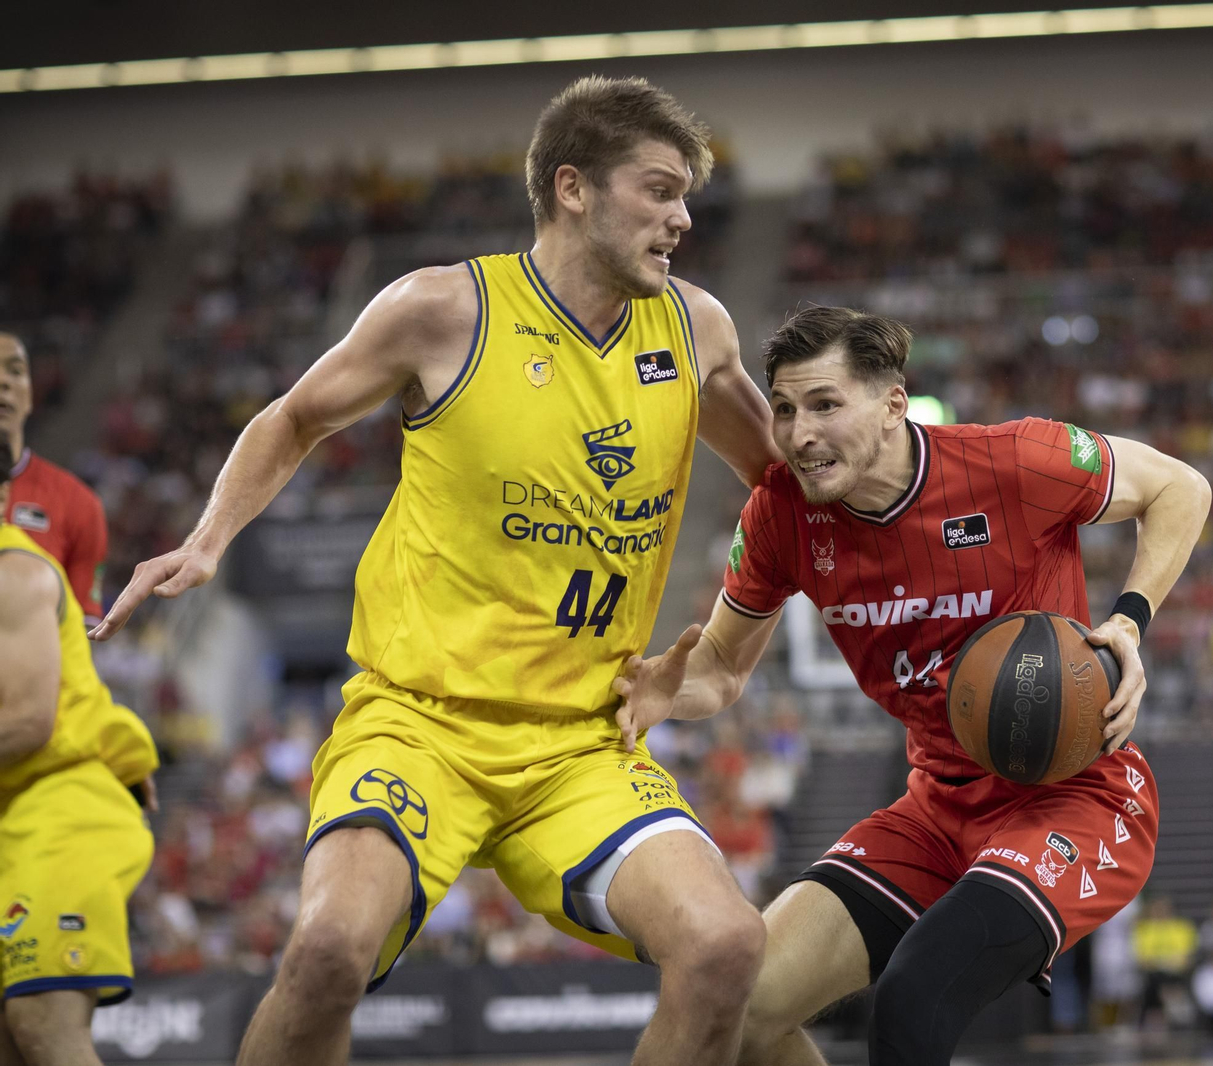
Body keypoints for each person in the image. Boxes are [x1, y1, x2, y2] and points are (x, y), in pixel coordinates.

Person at [92, 76, 781, 1066]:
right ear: (573, 187)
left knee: (725, 945)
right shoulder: (439, 309)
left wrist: (724, 656)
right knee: (327, 949)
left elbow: (785, 495)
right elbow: (295, 415)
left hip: (582, 742)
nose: (682, 217)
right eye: (660, 189)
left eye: (687, 199)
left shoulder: (695, 327)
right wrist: (208, 538)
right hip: (420, 724)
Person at [615, 306, 1213, 1065]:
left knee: (913, 998)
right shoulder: (781, 514)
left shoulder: (1013, 460)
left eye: (826, 404)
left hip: (1078, 797)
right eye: (788, 409)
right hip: (937, 809)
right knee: (738, 1009)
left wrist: (1127, 622)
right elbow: (722, 670)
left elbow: (1181, 488)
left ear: (894, 404)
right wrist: (670, 693)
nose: (799, 432)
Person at [0, 442, 160, 1066]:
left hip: (66, 803)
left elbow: (28, 723)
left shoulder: (15, 572)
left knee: (42, 1024)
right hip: (19, 819)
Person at [0, 333, 110, 625]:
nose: (4, 382)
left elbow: (81, 640)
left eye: (15, 371)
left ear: (30, 396)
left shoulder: (80, 505)